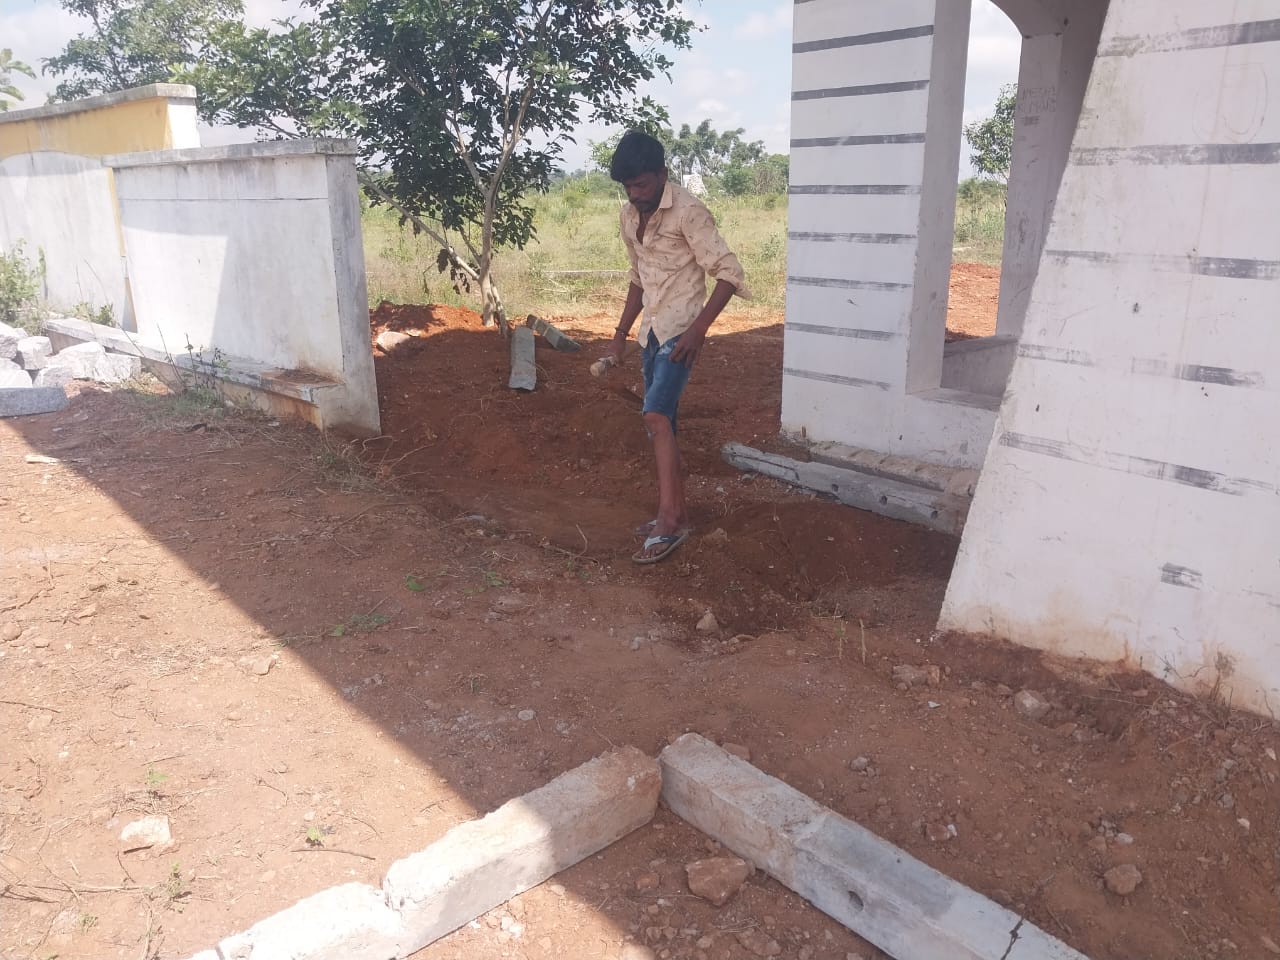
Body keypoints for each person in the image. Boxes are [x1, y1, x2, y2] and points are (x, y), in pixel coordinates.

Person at [602, 130, 748, 564]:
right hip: (651, 331)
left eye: (642, 185)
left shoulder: (689, 212)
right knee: (663, 421)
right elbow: (638, 277)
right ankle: (677, 512)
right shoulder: (629, 216)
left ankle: (668, 521)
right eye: (628, 187)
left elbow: (729, 274)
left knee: (654, 415)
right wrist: (620, 334)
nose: (635, 194)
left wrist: (699, 330)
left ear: (663, 174)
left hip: (680, 333)